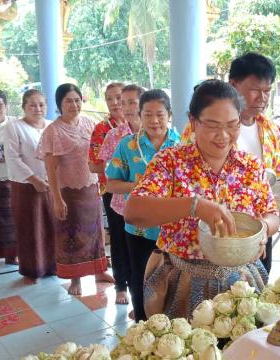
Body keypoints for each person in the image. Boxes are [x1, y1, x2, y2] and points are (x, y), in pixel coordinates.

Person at [124, 79, 279, 319]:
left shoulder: (250, 166)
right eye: (213, 125)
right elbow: (134, 212)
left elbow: (271, 214)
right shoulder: (171, 161)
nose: (223, 135)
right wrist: (193, 205)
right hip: (182, 281)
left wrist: (263, 231)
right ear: (193, 121)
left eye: (232, 125)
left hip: (242, 283)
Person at [181, 52, 280, 274]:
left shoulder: (270, 130)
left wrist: (265, 227)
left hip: (255, 239)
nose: (262, 98)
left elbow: (273, 187)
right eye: (255, 90)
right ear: (234, 85)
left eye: (267, 91)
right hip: (205, 248)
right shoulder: (196, 132)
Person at [106, 89, 180, 321]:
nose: (154, 121)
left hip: (176, 229)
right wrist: (139, 187)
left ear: (169, 114)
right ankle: (142, 328)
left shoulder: (183, 146)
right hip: (139, 228)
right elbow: (111, 184)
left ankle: (174, 332)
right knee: (140, 280)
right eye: (148, 115)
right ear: (140, 115)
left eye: (160, 114)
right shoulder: (127, 146)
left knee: (176, 282)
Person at [38, 83, 113, 295]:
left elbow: (103, 148)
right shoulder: (53, 131)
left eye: (77, 100)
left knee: (96, 232)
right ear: (59, 104)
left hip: (91, 188)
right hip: (68, 192)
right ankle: (75, 278)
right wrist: (57, 198)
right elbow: (50, 169)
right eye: (68, 101)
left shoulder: (89, 123)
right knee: (71, 235)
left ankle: (99, 271)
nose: (74, 104)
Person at [98, 84, 144, 305]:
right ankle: (121, 286)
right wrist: (133, 184)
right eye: (121, 102)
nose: (123, 107)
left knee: (147, 251)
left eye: (131, 102)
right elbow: (109, 174)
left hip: (154, 204)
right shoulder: (114, 136)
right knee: (121, 244)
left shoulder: (159, 132)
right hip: (120, 202)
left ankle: (149, 297)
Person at [4, 89, 56, 282]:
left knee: (51, 225)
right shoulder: (14, 127)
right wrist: (35, 180)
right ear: (24, 106)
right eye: (32, 105)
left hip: (52, 185)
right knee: (30, 228)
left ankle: (53, 266)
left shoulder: (51, 126)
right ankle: (33, 270)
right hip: (26, 186)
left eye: (41, 104)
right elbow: (13, 158)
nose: (37, 108)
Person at [89, 82, 128, 304]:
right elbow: (93, 165)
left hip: (141, 193)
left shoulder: (141, 125)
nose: (115, 103)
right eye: (110, 99)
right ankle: (121, 286)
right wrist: (118, 168)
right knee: (119, 238)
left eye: (119, 98)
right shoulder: (102, 129)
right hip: (113, 192)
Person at [0, 89, 17, 265]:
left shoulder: (15, 124)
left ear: (6, 106)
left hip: (13, 179)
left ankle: (13, 255)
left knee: (13, 218)